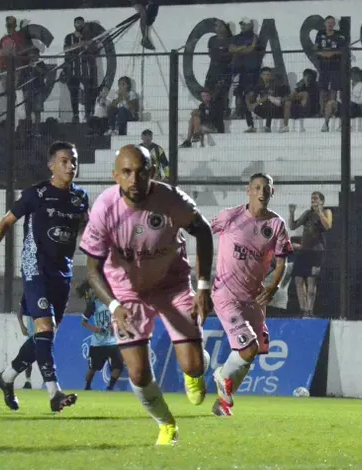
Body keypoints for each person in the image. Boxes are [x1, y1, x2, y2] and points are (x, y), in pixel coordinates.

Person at [79, 145, 214, 445]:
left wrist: (203, 286)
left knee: (192, 366)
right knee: (138, 373)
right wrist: (113, 306)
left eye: (141, 172)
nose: (134, 179)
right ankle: (166, 425)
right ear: (115, 176)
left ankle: (198, 365)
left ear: (152, 172)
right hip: (126, 291)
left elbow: (203, 231)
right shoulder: (104, 209)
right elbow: (92, 270)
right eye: (126, 172)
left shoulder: (171, 200)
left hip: (172, 285)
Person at [0, 141, 89, 412]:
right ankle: (54, 393)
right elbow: (5, 223)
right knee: (45, 329)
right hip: (35, 266)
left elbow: (89, 229)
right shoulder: (36, 194)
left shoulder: (80, 197)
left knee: (44, 336)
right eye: (64, 161)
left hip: (63, 272)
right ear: (51, 165)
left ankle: (7, 377)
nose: (71, 166)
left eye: (74, 161)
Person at [209, 173, 293, 417]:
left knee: (252, 352)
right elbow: (203, 232)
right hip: (226, 294)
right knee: (248, 348)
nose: (262, 192)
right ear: (248, 191)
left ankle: (222, 403)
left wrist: (273, 286)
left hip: (254, 298)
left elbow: (282, 262)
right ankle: (221, 375)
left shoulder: (276, 224)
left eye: (266, 188)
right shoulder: (230, 216)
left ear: (272, 192)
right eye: (257, 187)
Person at [289, 192, 333, 318]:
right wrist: (292, 213)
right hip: (304, 251)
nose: (313, 201)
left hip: (316, 251)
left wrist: (319, 212)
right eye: (312, 199)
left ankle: (310, 310)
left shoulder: (326, 212)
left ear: (322, 201)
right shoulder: (308, 214)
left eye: (316, 199)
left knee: (311, 280)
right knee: (298, 279)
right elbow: (293, 226)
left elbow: (328, 226)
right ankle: (303, 309)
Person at [77, 281, 123, 391]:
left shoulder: (114, 304)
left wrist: (115, 325)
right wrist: (95, 329)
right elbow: (83, 321)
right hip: (98, 342)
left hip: (112, 341)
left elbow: (120, 317)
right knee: (93, 368)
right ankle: (87, 386)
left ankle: (110, 387)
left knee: (118, 366)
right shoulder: (94, 304)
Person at [15, 296, 36, 389]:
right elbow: (19, 312)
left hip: (43, 332)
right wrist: (22, 326)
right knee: (27, 357)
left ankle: (50, 382)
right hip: (31, 333)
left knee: (45, 358)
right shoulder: (28, 294)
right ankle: (28, 381)